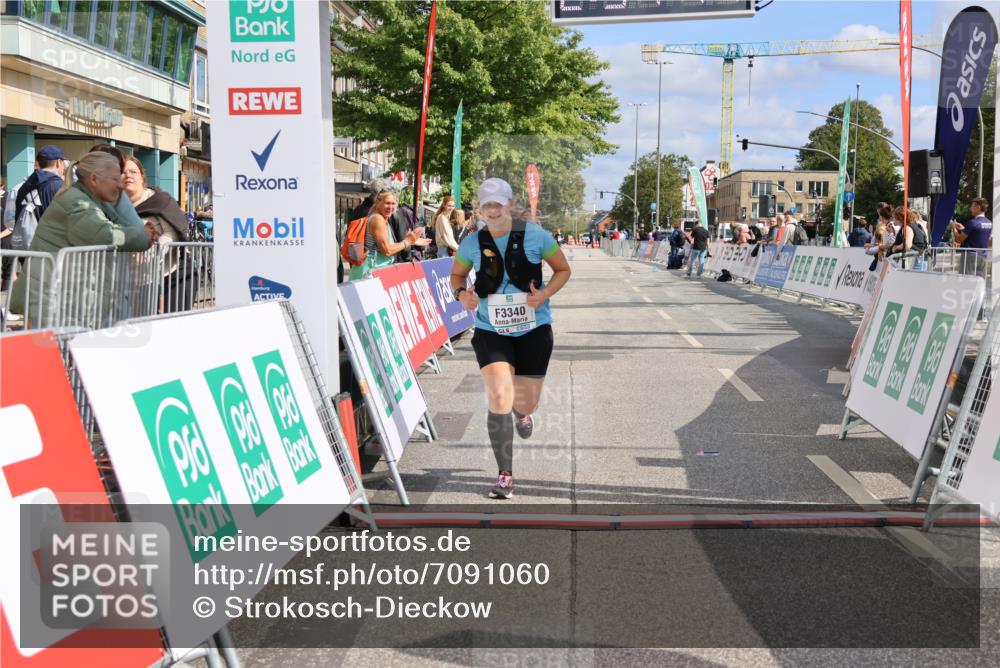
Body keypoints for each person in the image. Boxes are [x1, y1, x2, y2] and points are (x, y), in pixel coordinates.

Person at [449, 178, 571, 499]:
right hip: (491, 330)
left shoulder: (535, 236)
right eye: (486, 204)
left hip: (534, 330)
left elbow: (563, 270)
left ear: (509, 204)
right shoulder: (472, 243)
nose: (492, 209)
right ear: (481, 208)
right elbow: (457, 276)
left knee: (524, 401)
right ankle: (505, 474)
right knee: (499, 397)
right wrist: (463, 295)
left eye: (497, 204)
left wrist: (543, 294)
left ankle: (522, 412)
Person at [10, 152, 156, 324]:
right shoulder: (77, 203)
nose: (120, 186)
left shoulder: (84, 198)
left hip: (57, 296)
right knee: (58, 349)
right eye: (115, 179)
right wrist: (143, 236)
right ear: (94, 179)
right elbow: (105, 234)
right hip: (51, 299)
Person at [123, 156, 196, 312]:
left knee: (171, 326)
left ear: (142, 176)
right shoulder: (115, 205)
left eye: (133, 172)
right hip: (138, 280)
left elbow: (172, 233)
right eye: (123, 172)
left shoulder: (160, 200)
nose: (128, 175)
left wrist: (154, 250)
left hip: (172, 274)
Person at [348, 189, 429, 280]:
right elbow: (387, 250)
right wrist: (407, 242)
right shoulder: (377, 219)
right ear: (378, 203)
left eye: (393, 203)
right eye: (387, 203)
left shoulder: (383, 219)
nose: (390, 207)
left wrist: (412, 241)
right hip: (368, 273)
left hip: (374, 272)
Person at [950, 197, 992, 277]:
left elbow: (958, 240)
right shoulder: (989, 223)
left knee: (967, 280)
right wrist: (963, 229)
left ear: (978, 207)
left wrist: (954, 228)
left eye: (972, 206)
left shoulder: (972, 222)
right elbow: (981, 236)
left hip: (970, 255)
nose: (970, 208)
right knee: (980, 281)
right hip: (983, 255)